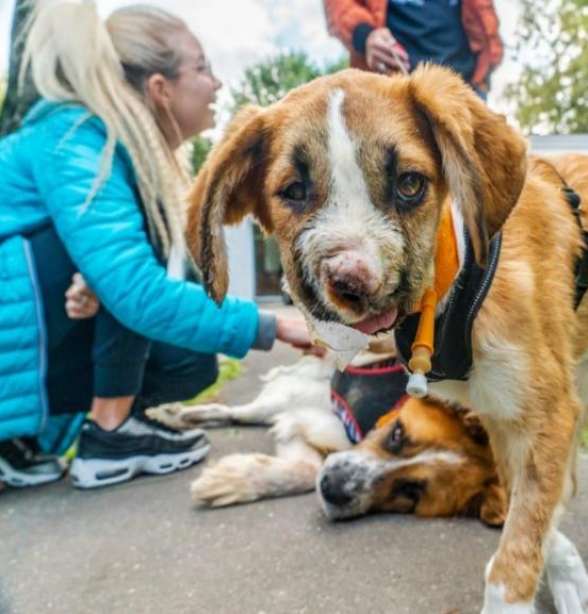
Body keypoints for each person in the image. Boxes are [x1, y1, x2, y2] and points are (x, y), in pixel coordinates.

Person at [0, 2, 313, 490]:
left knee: (189, 358)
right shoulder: (78, 140)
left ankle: (23, 443)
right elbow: (138, 292)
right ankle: (110, 432)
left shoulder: (112, 151)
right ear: (159, 89)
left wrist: (101, 285)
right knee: (126, 281)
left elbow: (159, 294)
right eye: (202, 67)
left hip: (31, 358)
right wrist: (276, 326)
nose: (218, 84)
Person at [322, 0, 502, 97]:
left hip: (465, 87)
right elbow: (340, 6)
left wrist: (486, 69)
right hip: (396, 91)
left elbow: (485, 16)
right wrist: (366, 35)